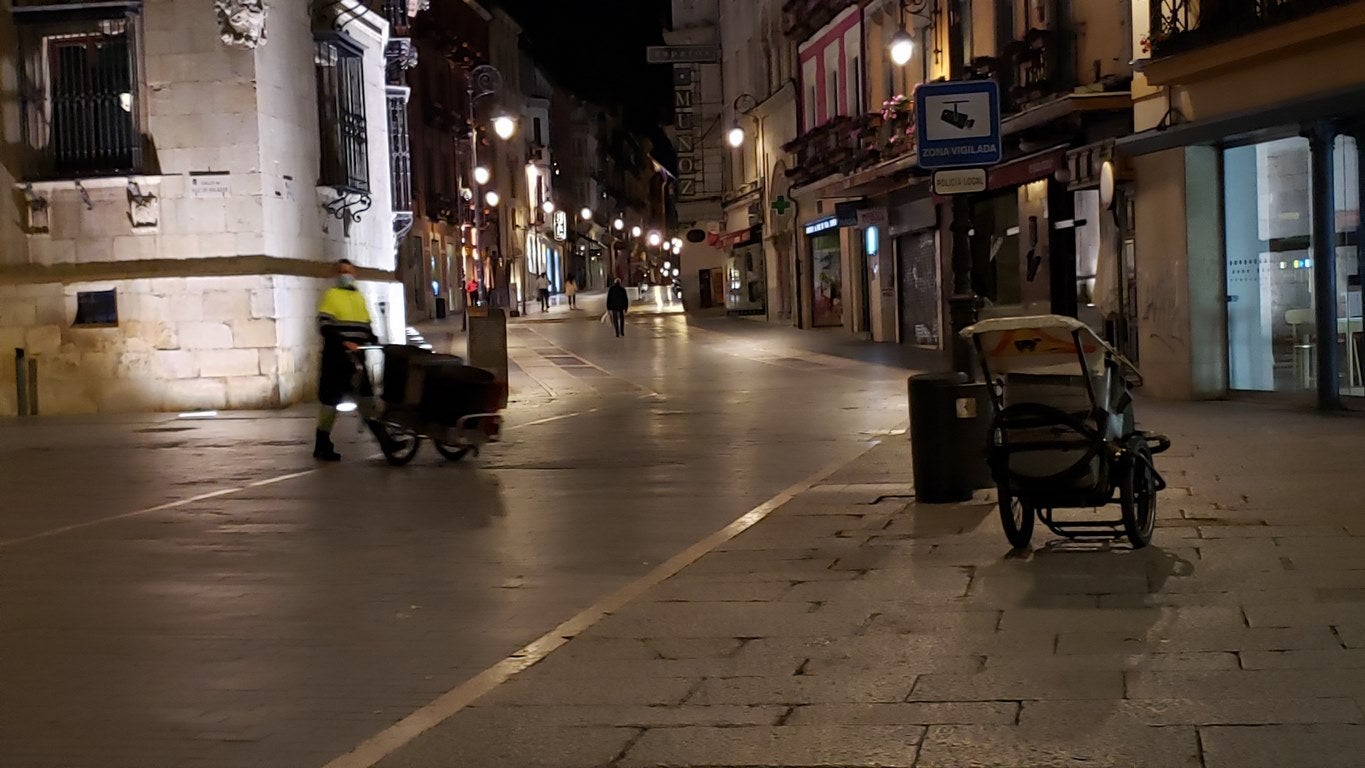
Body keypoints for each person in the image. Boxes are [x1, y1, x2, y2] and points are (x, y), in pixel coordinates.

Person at [314, 259, 386, 461]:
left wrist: (375, 341)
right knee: (330, 403)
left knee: (367, 401)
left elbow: (366, 326)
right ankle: (322, 444)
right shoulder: (331, 296)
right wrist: (344, 342)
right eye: (342, 271)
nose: (346, 274)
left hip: (356, 360)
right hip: (336, 360)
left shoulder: (359, 298)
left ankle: (387, 443)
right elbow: (325, 326)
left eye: (349, 271)